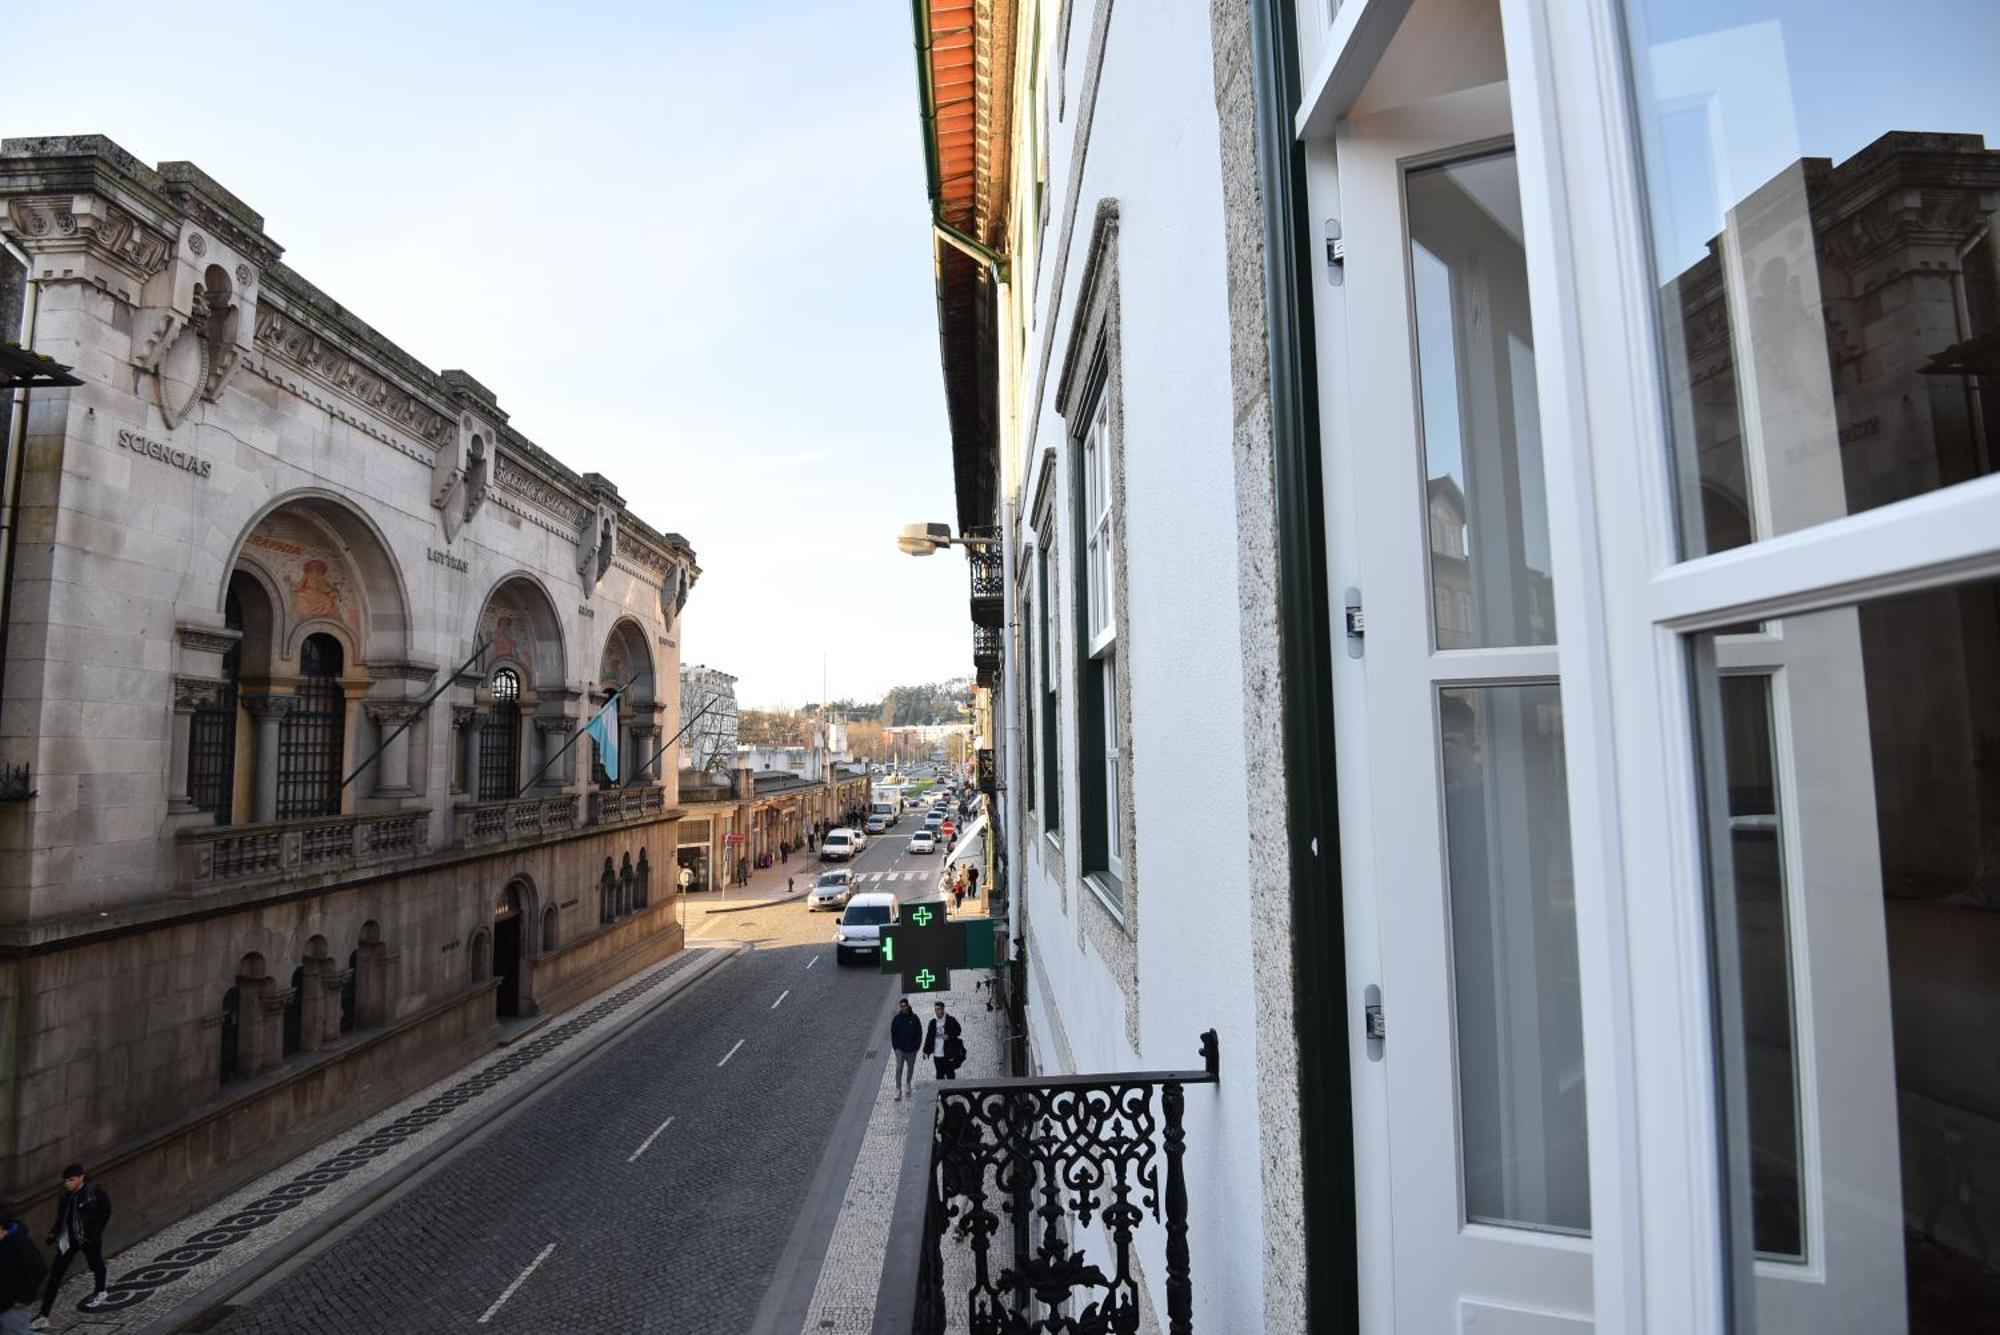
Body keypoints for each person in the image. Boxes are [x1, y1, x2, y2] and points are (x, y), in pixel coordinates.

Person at [37, 1165, 109, 1325]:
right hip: (69, 1240)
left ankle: (101, 1291)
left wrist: (95, 1232)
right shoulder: (65, 1197)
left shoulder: (94, 1192)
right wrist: (54, 1233)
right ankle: (43, 1315)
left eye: (71, 1180)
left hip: (89, 1238)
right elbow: (61, 1217)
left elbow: (105, 1212)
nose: (67, 1184)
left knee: (96, 1264)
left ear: (81, 1177)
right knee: (55, 1276)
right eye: (65, 1181)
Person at [0, 1218, 46, 1335]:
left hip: (12, 1303)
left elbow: (39, 1269)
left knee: (17, 1332)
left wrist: (22, 1297)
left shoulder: (19, 1242)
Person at [889, 999, 922, 1102]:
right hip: (900, 1049)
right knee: (899, 1067)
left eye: (904, 1006)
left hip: (912, 1050)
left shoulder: (914, 1018)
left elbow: (919, 1032)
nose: (903, 1008)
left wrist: (916, 1047)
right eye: (901, 1006)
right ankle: (898, 1088)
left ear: (908, 1006)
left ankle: (908, 1083)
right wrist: (895, 1047)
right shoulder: (897, 1019)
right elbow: (893, 1033)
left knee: (910, 1068)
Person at [924, 1002, 964, 1080]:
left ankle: (951, 1091)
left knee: (950, 1074)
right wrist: (926, 1051)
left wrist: (949, 1036)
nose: (936, 1011)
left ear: (943, 1009)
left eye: (938, 1009)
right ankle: (941, 1091)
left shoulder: (950, 1020)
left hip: (948, 1053)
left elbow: (958, 1031)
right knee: (939, 1075)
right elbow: (929, 1037)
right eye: (935, 1009)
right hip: (937, 1054)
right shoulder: (933, 1023)